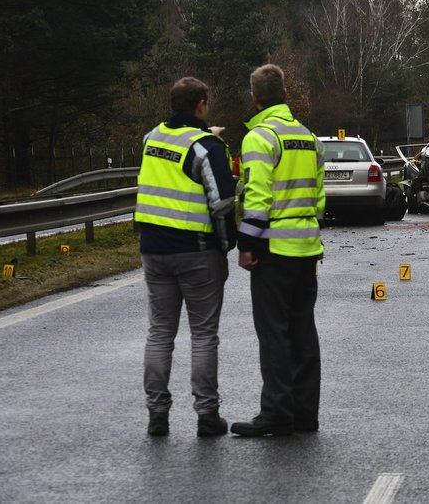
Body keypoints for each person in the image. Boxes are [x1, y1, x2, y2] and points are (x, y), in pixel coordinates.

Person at [135, 77, 237, 437]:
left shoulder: (152, 138)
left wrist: (205, 134)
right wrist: (227, 245)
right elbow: (223, 202)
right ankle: (207, 415)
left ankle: (157, 415)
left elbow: (174, 152)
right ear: (202, 104)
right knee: (204, 334)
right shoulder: (206, 146)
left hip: (153, 250)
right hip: (196, 251)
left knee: (160, 333)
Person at [231, 63, 326, 437]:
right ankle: (305, 414)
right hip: (307, 248)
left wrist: (247, 243)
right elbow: (319, 199)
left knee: (274, 334)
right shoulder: (308, 137)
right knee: (303, 333)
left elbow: (257, 197)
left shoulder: (260, 138)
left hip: (273, 250)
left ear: (254, 98)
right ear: (285, 95)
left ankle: (275, 412)